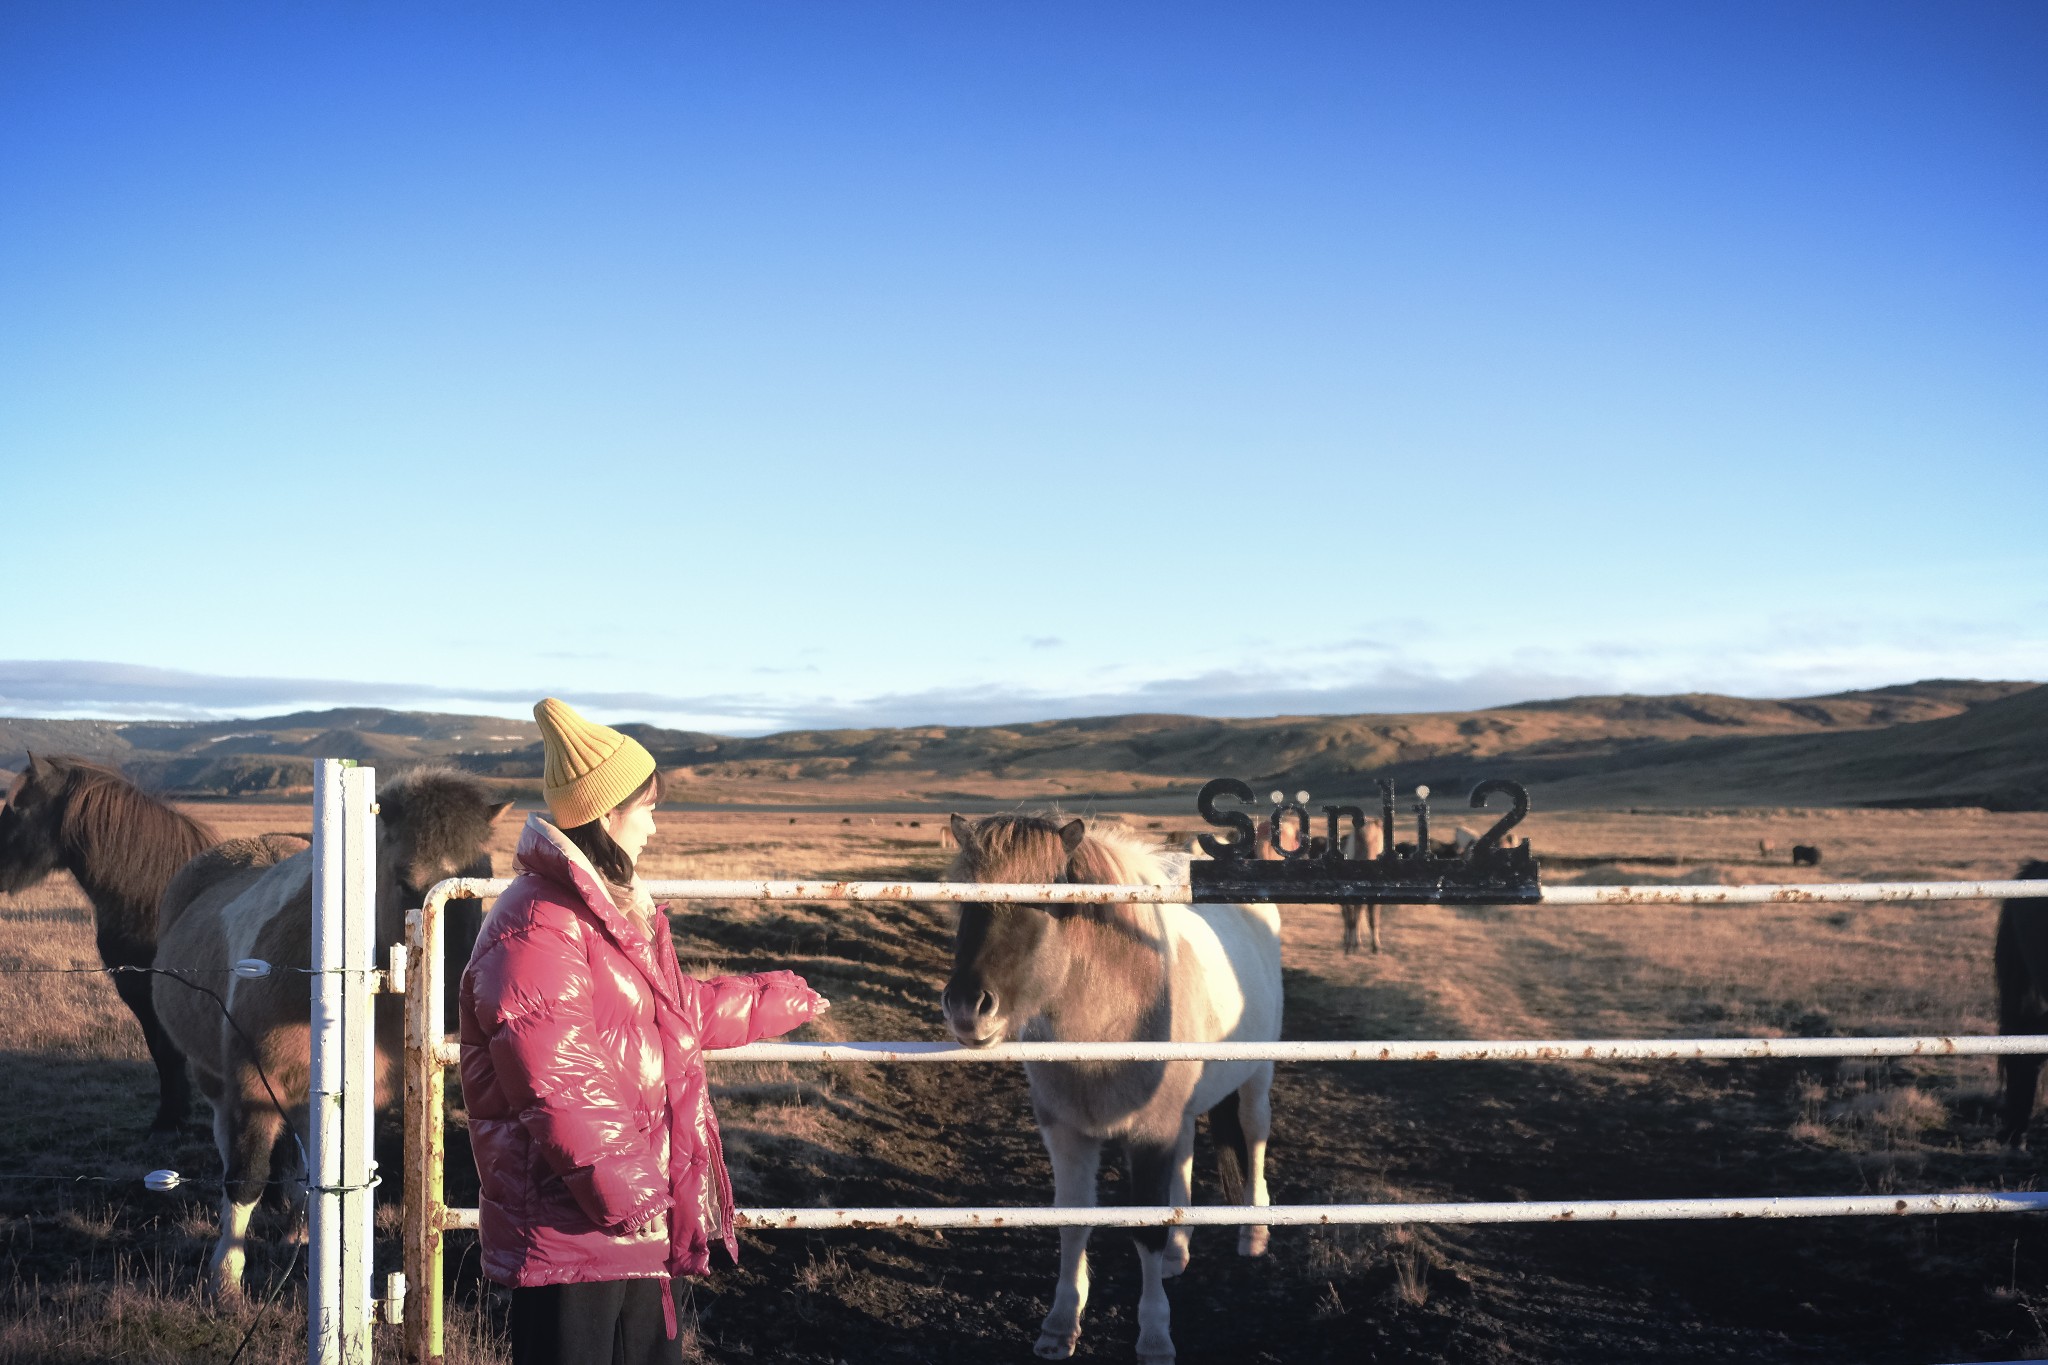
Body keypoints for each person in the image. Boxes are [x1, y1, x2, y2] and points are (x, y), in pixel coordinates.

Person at [461, 697, 827, 1365]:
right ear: (606, 812)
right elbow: (557, 1074)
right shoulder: (538, 923)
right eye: (649, 807)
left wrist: (770, 1000)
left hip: (624, 1225)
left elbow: (659, 1011)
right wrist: (632, 1197)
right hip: (575, 1230)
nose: (655, 827)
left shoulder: (599, 911)